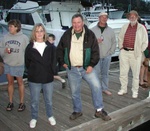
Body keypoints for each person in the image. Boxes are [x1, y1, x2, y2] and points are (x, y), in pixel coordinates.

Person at [57, 14, 111, 121]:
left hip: (87, 68)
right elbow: (59, 49)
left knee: (97, 87)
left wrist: (91, 65)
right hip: (72, 69)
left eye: (78, 22)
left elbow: (96, 52)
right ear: (72, 23)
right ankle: (77, 111)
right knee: (74, 91)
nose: (76, 25)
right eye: (74, 22)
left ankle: (99, 110)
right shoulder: (66, 34)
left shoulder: (90, 34)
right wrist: (62, 62)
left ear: (82, 23)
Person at [25, 23, 56, 128]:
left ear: (44, 33)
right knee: (34, 101)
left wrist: (52, 72)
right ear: (34, 33)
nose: (39, 33)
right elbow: (27, 63)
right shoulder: (29, 47)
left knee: (49, 100)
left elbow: (53, 61)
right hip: (34, 79)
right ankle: (34, 117)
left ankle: (50, 116)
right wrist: (34, 71)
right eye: (37, 31)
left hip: (48, 78)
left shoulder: (50, 47)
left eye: (41, 31)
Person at [118, 10, 148, 98]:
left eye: (134, 16)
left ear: (137, 17)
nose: (132, 17)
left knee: (135, 74)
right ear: (128, 17)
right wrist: (121, 47)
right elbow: (120, 37)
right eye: (130, 16)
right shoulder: (124, 26)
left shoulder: (141, 28)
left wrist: (140, 51)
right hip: (124, 52)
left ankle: (135, 91)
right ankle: (123, 89)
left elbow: (145, 42)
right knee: (123, 73)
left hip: (135, 53)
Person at [0, 19, 29, 111]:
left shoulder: (24, 38)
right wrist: (4, 51)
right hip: (8, 63)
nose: (9, 28)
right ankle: (10, 102)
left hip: (19, 64)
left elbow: (28, 52)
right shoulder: (5, 37)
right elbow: (1, 49)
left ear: (17, 27)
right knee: (10, 83)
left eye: (11, 26)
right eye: (9, 26)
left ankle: (21, 103)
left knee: (20, 83)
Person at [91, 12, 116, 96]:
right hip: (96, 56)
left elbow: (114, 42)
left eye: (106, 17)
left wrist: (111, 52)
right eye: (102, 17)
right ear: (99, 18)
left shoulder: (111, 30)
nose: (104, 19)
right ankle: (97, 89)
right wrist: (95, 42)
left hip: (107, 56)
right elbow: (88, 43)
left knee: (105, 73)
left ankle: (105, 89)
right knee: (96, 74)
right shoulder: (93, 30)